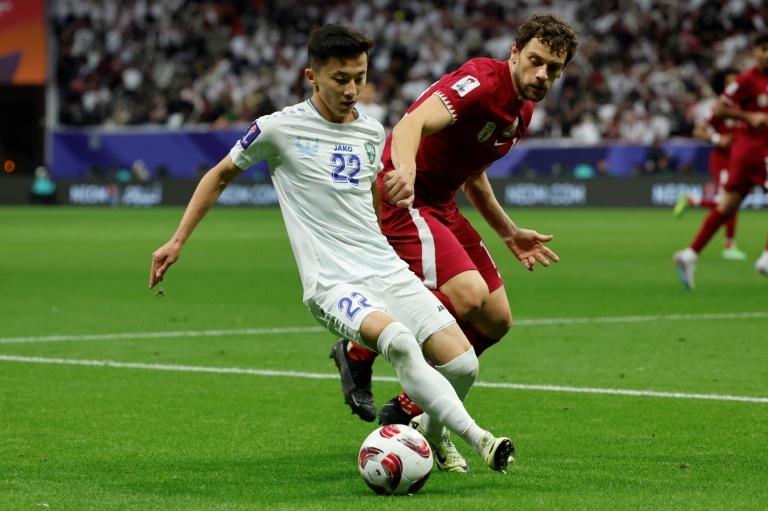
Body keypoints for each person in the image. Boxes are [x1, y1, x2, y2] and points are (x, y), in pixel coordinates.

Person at [149, 24, 514, 474]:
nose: (352, 89)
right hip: (331, 281)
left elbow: (373, 201)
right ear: (312, 76)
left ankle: (433, 434)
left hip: (384, 267)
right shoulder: (277, 129)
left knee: (462, 364)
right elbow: (219, 174)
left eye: (359, 77)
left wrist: (394, 194)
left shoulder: (370, 131)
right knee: (399, 342)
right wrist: (177, 240)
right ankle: (481, 439)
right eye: (341, 78)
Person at [331, 13, 577, 435]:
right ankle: (357, 350)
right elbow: (412, 123)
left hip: (440, 203)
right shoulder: (481, 82)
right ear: (514, 52)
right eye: (535, 60)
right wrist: (404, 171)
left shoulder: (521, 112)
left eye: (553, 69)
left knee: (497, 319)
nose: (542, 75)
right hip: (405, 196)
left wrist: (508, 232)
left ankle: (406, 406)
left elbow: (472, 173)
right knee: (467, 295)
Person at [673, 30, 768, 289]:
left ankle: (689, 254)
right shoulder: (746, 83)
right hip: (748, 153)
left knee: (727, 206)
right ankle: (765, 258)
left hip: (744, 154)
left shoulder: (757, 87)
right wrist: (726, 133)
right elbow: (704, 124)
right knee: (724, 203)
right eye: (764, 49)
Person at [674, 67, 746, 261]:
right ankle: (728, 245)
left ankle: (692, 201)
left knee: (732, 203)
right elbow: (698, 131)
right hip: (722, 160)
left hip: (740, 160)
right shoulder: (718, 108)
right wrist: (717, 138)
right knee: (727, 202)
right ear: (721, 87)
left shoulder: (745, 106)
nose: (733, 86)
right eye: (728, 82)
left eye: (736, 82)